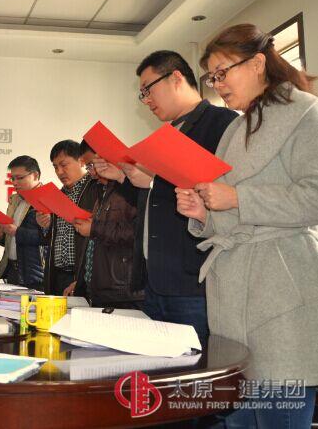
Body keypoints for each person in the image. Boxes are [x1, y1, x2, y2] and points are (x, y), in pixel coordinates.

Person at [175, 23, 317, 427]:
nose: (217, 84)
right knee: (240, 419)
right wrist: (203, 214)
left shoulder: (307, 112)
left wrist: (237, 197)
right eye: (212, 77)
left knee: (278, 412)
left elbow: (315, 197)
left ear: (257, 64)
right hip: (235, 292)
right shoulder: (236, 128)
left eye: (223, 72)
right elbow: (231, 212)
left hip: (282, 290)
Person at [96, 50, 237, 342]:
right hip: (156, 280)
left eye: (148, 90)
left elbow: (224, 194)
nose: (146, 100)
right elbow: (158, 201)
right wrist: (126, 178)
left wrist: (156, 179)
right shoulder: (169, 134)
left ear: (175, 78)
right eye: (142, 95)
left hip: (193, 282)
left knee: (195, 365)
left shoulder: (223, 123)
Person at [69, 141, 142, 309]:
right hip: (102, 289)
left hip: (123, 291)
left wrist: (94, 228)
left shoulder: (130, 190)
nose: (92, 173)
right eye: (88, 167)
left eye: (92, 165)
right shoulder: (103, 190)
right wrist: (81, 282)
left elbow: (136, 233)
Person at [39, 140, 98, 295]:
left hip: (83, 275)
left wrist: (84, 276)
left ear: (81, 161)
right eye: (55, 167)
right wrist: (46, 226)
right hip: (58, 274)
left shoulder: (96, 189)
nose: (59, 172)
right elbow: (53, 238)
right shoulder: (57, 195)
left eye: (64, 165)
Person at [0, 155, 46, 291]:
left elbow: (49, 238)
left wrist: (17, 232)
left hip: (35, 275)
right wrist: (0, 235)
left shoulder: (47, 199)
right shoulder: (16, 200)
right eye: (12, 178)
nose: (15, 183)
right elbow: (11, 241)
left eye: (20, 178)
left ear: (35, 175)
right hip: (12, 270)